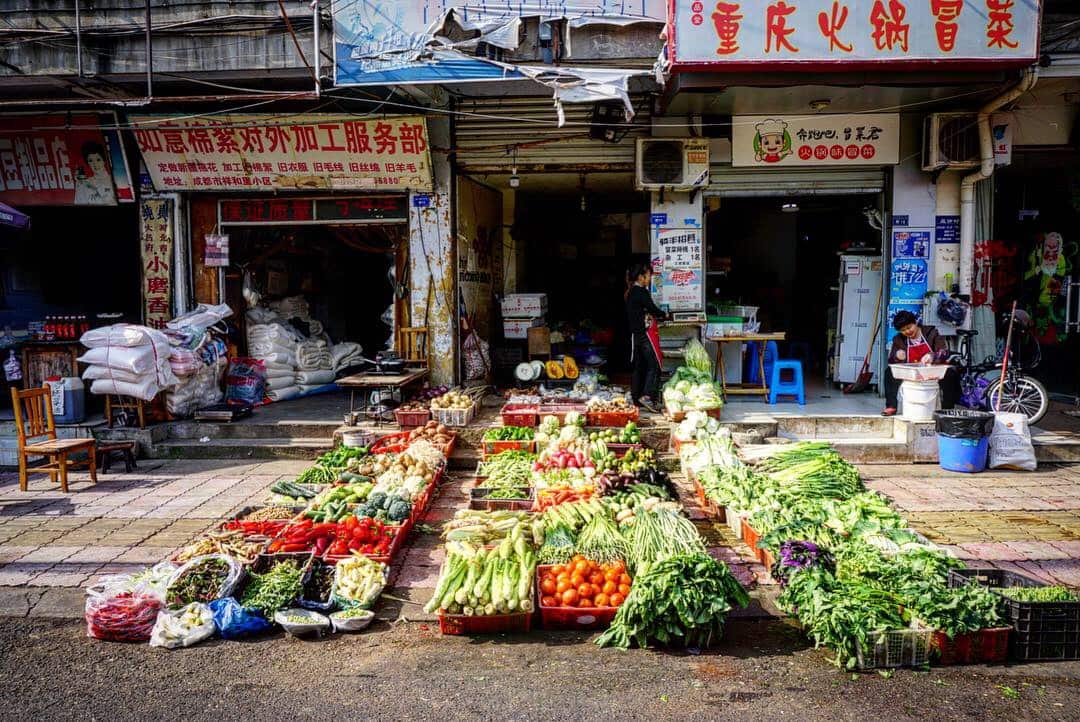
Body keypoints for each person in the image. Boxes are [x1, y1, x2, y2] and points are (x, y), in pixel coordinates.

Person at [882, 310, 960, 416]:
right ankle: (891, 406)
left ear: (915, 323)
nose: (907, 332)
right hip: (911, 371)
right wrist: (897, 356)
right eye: (903, 330)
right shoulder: (898, 339)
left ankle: (947, 408)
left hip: (932, 370)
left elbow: (943, 352)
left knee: (950, 374)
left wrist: (932, 356)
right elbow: (891, 360)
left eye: (909, 327)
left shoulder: (931, 332)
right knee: (889, 372)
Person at [625, 262, 665, 412]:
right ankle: (648, 397)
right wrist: (665, 314)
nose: (649, 279)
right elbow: (653, 309)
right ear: (641, 277)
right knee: (654, 364)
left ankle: (637, 398)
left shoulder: (631, 292)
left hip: (636, 336)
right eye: (648, 276)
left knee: (639, 366)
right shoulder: (641, 292)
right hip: (645, 334)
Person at [74, 141, 116, 206]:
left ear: (104, 160)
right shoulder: (85, 183)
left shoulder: (114, 180)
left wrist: (96, 188)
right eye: (90, 161)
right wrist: (79, 186)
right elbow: (79, 202)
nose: (95, 164)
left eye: (98, 159)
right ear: (88, 163)